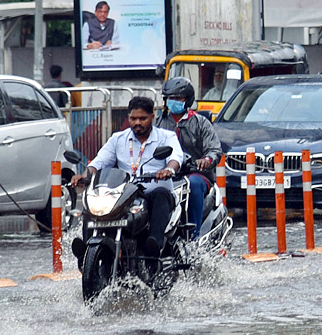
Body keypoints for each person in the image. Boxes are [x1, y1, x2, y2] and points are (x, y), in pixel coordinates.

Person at [78, 96, 183, 257]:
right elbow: (100, 161)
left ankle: (154, 243)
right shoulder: (118, 139)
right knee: (91, 202)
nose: (137, 123)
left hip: (152, 194)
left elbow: (176, 157)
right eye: (133, 118)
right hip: (125, 196)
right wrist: (85, 175)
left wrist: (168, 170)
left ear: (152, 117)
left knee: (161, 194)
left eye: (143, 118)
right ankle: (86, 248)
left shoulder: (166, 137)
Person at [155, 77, 221, 241]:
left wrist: (206, 160)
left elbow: (214, 149)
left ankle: (193, 239)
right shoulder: (157, 123)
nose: (174, 102)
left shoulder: (200, 123)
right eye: (170, 98)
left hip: (196, 174)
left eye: (178, 98)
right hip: (165, 174)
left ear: (188, 100)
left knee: (193, 185)